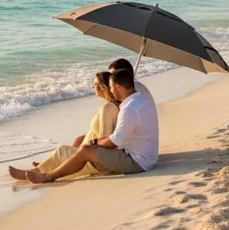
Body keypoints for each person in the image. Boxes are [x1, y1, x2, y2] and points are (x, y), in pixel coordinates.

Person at [20, 69, 159, 184]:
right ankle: (50, 169)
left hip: (137, 161)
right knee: (83, 146)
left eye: (111, 87)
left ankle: (48, 176)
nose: (110, 90)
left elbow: (115, 141)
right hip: (146, 157)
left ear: (118, 87)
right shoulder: (142, 100)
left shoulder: (129, 109)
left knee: (85, 150)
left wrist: (95, 142)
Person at [9, 71, 121, 181]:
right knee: (69, 149)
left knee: (62, 151)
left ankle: (36, 171)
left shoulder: (108, 108)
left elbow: (104, 138)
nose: (93, 87)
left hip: (94, 158)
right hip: (91, 154)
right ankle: (40, 169)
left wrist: (87, 149)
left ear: (102, 86)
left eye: (95, 84)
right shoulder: (110, 106)